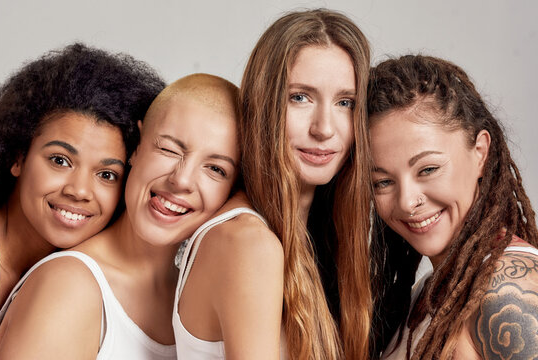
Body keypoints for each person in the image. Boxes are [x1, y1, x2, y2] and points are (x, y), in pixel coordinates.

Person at [0, 43, 164, 359]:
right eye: (60, 160)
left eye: (106, 175)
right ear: (18, 158)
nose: (79, 190)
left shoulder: (63, 282)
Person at [0, 73, 240, 359]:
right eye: (169, 149)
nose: (181, 180)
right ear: (137, 147)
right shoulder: (69, 286)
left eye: (216, 170)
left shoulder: (196, 293)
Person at [174, 9, 372, 360]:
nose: (324, 128)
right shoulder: (249, 244)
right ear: (264, 104)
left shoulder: (307, 238)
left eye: (345, 103)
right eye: (300, 97)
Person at [369, 55, 538, 359]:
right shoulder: (423, 294)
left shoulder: (508, 288)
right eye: (382, 182)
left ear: (480, 153)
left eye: (428, 169)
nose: (408, 202)